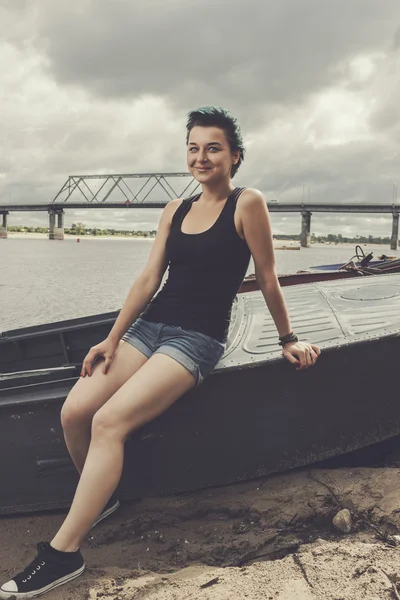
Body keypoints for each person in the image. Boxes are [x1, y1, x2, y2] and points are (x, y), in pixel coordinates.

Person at [0, 106, 320, 599]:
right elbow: (149, 279)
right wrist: (111, 338)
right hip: (149, 328)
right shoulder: (175, 209)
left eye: (213, 147)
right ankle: (100, 497)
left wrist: (287, 339)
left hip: (196, 338)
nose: (201, 157)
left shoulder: (247, 203)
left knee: (110, 422)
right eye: (193, 148)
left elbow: (268, 276)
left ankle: (65, 553)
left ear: (235, 156)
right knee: (75, 412)